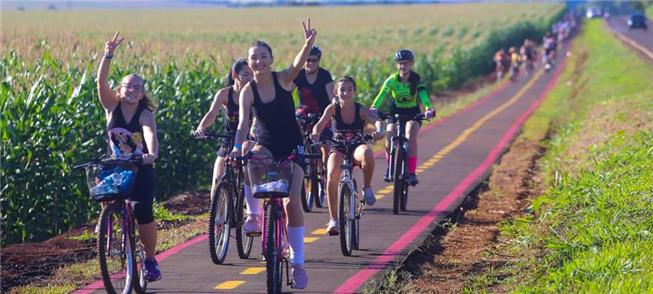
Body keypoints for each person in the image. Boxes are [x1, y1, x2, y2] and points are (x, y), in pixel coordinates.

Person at [229, 18, 317, 289]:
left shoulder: (282, 79)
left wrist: (307, 44)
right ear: (248, 62)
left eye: (263, 56)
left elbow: (297, 64)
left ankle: (298, 263)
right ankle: (254, 214)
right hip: (266, 144)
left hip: (293, 145)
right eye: (254, 58)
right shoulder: (248, 91)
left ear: (271, 59)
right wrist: (235, 147)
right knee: (249, 155)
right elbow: (244, 125)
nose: (259, 62)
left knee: (291, 202)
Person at [97, 32, 161, 282]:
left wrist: (151, 153)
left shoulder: (144, 114)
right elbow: (99, 82)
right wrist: (108, 55)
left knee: (143, 211)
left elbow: (150, 134)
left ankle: (150, 258)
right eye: (128, 86)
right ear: (119, 89)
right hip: (116, 167)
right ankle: (106, 223)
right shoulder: (112, 107)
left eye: (138, 87)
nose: (133, 90)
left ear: (142, 93)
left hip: (139, 168)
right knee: (103, 192)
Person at [193, 58, 260, 232]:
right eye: (245, 74)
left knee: (248, 164)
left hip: (248, 139)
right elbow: (212, 113)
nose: (249, 79)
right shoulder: (225, 94)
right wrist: (201, 128)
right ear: (234, 75)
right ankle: (218, 217)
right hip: (228, 138)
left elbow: (256, 119)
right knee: (218, 176)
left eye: (251, 75)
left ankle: (251, 210)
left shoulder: (255, 93)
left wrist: (252, 133)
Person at [310, 76, 383, 235]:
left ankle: (367, 187)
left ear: (355, 92)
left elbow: (376, 121)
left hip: (357, 145)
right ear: (336, 92)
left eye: (349, 89)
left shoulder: (361, 109)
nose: (346, 93)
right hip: (338, 147)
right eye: (342, 89)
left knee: (368, 153)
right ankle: (333, 219)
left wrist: (378, 131)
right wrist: (315, 134)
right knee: (331, 174)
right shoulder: (332, 108)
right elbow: (320, 124)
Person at [370, 49, 435, 186]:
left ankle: (411, 172)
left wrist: (428, 108)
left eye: (406, 64)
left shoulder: (416, 79)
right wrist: (374, 107)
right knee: (389, 135)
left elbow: (423, 95)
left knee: (411, 133)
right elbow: (382, 95)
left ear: (411, 64)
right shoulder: (392, 80)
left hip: (413, 112)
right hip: (396, 111)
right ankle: (390, 169)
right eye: (400, 64)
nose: (403, 66)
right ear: (397, 65)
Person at [292, 45, 335, 194]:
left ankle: (325, 175)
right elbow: (287, 91)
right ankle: (298, 150)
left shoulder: (324, 75)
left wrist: (335, 111)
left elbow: (332, 97)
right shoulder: (299, 75)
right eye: (307, 60)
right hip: (304, 110)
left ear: (318, 61)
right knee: (294, 125)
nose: (310, 63)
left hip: (321, 112)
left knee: (325, 146)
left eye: (313, 60)